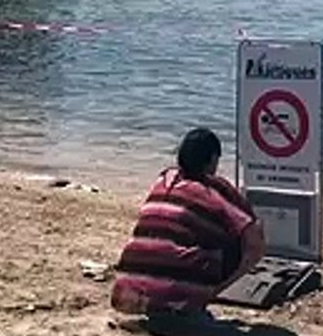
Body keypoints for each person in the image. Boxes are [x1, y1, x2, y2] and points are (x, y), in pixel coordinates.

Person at [112, 128, 266, 317]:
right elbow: (254, 236)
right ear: (212, 160)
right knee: (239, 240)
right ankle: (195, 298)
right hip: (177, 296)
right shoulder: (214, 190)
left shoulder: (164, 179)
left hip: (127, 289)